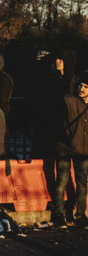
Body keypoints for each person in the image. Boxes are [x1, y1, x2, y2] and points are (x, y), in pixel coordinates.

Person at [51, 73, 88, 228]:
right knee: (62, 180)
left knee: (82, 182)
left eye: (86, 87)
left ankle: (80, 215)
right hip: (65, 147)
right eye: (80, 85)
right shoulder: (68, 100)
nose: (82, 89)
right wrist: (65, 135)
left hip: (84, 149)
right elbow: (56, 120)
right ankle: (59, 214)